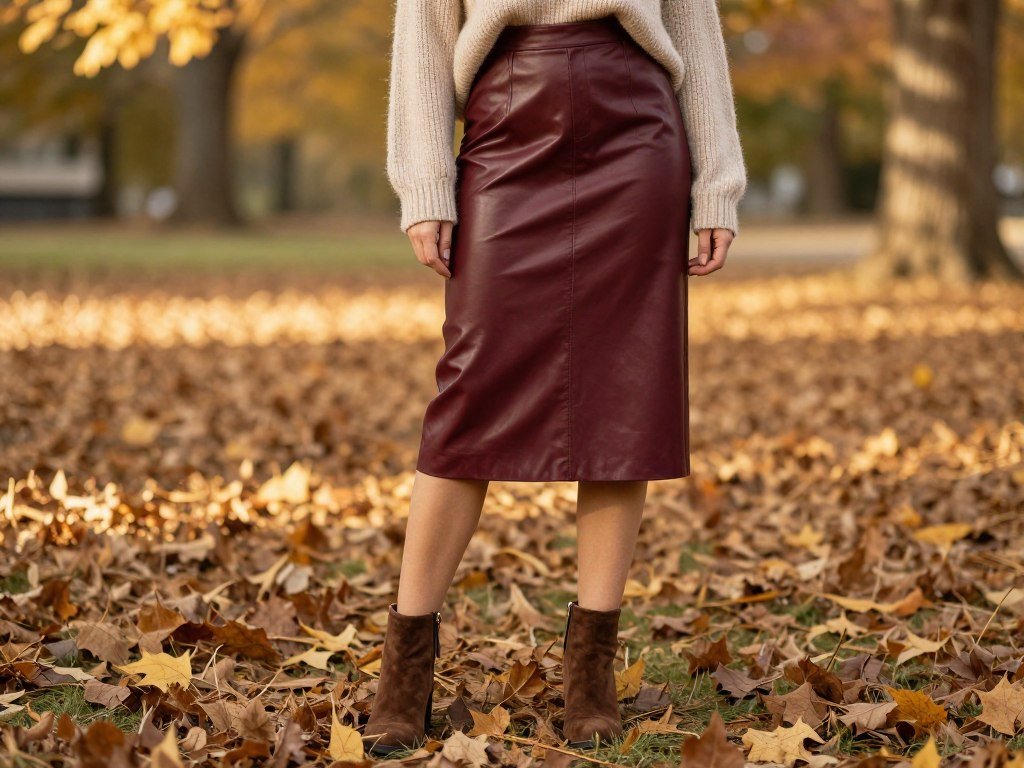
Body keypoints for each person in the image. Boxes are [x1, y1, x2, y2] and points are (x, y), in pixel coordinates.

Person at [362, 0, 747, 756]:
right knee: (470, 399)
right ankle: (404, 672)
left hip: (637, 131)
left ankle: (590, 674)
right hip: (507, 123)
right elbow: (425, 32)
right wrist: (424, 182)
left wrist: (717, 184)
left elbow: (694, 29)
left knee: (621, 401)